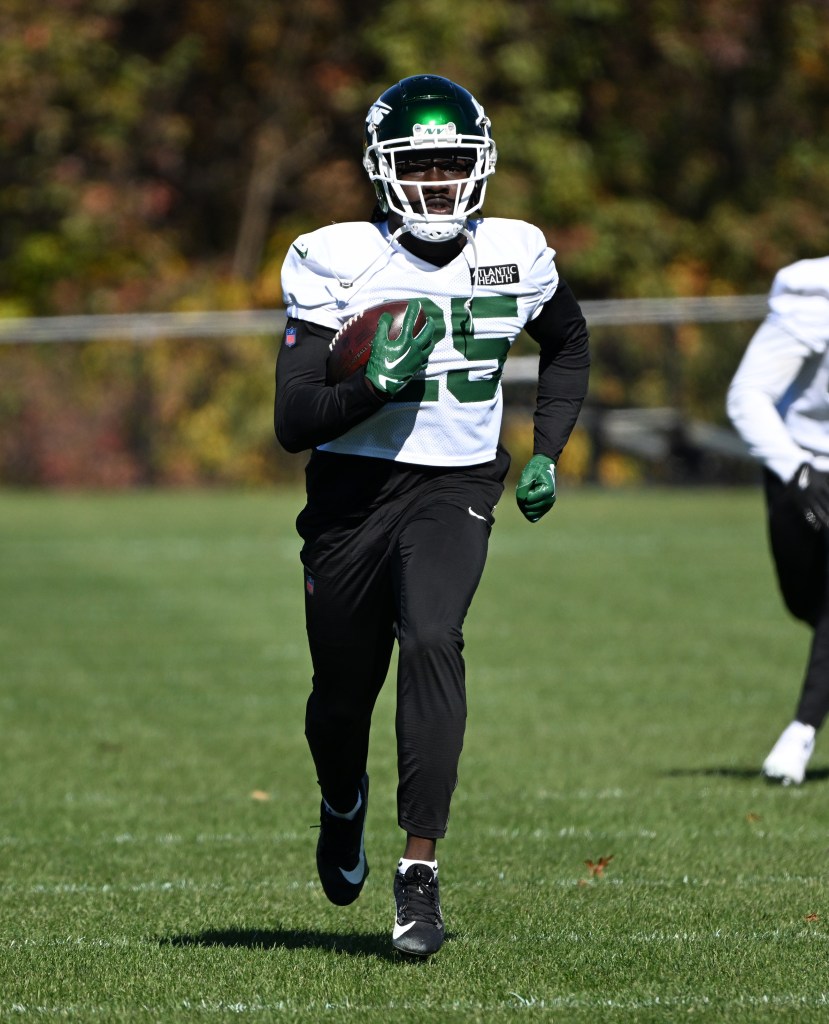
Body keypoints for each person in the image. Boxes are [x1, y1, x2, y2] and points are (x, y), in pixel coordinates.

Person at [274, 74, 590, 955]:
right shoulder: (336, 256)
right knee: (340, 702)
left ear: (480, 163)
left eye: (456, 163)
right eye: (423, 164)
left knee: (432, 640)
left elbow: (567, 340)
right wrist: (372, 388)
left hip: (455, 486)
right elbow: (292, 419)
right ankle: (342, 801)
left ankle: (420, 876)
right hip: (350, 493)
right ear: (382, 171)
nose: (442, 182)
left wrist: (545, 450)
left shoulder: (517, 249)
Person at [727, 256, 829, 785]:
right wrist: (799, 472)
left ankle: (801, 732)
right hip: (802, 465)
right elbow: (748, 396)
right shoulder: (813, 292)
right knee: (805, 602)